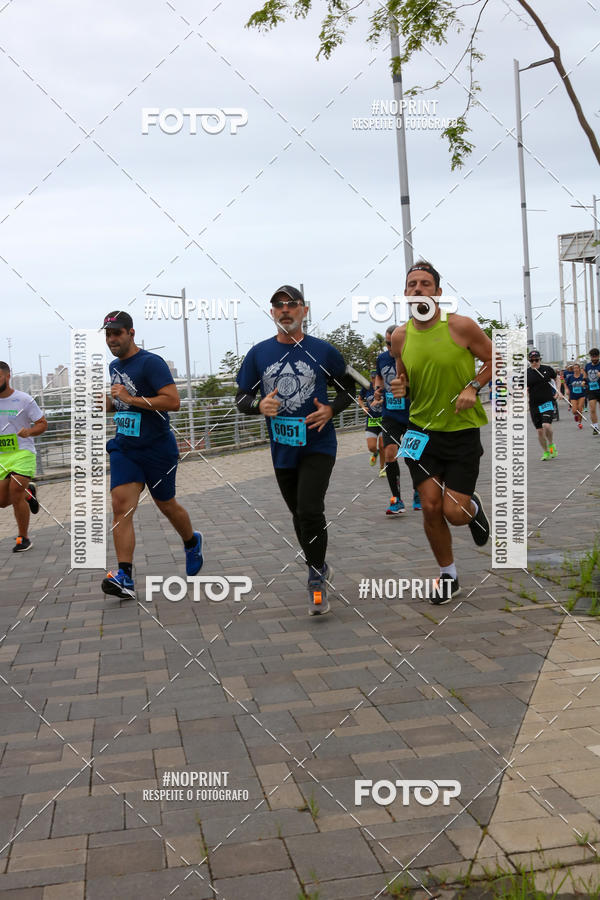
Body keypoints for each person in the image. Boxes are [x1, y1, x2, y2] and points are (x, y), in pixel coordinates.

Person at [236, 285, 355, 615]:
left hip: (319, 443)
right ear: (272, 313)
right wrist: (259, 405)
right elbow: (241, 397)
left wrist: (331, 409)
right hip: (282, 449)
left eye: (292, 304)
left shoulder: (323, 351)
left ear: (304, 311)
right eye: (278, 306)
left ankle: (316, 576)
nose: (285, 309)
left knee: (310, 508)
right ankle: (318, 564)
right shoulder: (259, 354)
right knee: (299, 514)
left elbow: (348, 389)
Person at [389, 261, 492, 603]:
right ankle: (448, 576)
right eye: (412, 284)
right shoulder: (401, 337)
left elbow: (497, 359)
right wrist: (400, 387)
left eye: (425, 284)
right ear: (405, 293)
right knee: (431, 507)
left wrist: (473, 386)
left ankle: (473, 509)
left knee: (453, 512)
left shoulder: (461, 327)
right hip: (420, 433)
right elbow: (403, 378)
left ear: (437, 292)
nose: (418, 289)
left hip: (461, 433)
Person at [101, 311, 203, 600]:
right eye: (108, 335)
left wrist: (129, 398)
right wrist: (108, 404)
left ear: (131, 333)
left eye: (117, 333)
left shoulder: (151, 363)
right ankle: (125, 577)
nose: (112, 339)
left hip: (158, 449)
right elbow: (123, 406)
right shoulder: (113, 366)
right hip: (125, 448)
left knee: (166, 505)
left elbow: (173, 402)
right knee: (121, 508)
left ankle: (191, 541)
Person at [0, 361, 46, 552]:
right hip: (2, 455)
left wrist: (29, 431)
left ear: (7, 376)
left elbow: (42, 423)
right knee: (2, 502)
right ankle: (29, 493)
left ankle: (23, 538)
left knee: (16, 488)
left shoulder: (24, 400)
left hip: (23, 452)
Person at [375, 325, 420, 514]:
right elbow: (379, 377)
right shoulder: (382, 358)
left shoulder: (414, 356)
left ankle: (418, 493)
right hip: (390, 415)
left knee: (411, 456)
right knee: (390, 453)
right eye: (387, 343)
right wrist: (378, 389)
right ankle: (396, 499)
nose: (389, 347)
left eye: (392, 343)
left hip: (413, 414)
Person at [526, 350, 557, 459]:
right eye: (532, 360)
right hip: (534, 404)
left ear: (540, 359)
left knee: (546, 425)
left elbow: (556, 378)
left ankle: (551, 444)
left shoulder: (547, 369)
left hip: (547, 401)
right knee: (539, 431)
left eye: (536, 360)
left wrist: (558, 391)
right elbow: (522, 386)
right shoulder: (527, 373)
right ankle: (546, 452)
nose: (534, 362)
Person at [358, 371, 384, 471]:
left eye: (375, 378)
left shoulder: (383, 386)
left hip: (383, 420)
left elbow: (389, 398)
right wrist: (363, 407)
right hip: (371, 420)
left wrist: (379, 401)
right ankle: (375, 452)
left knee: (382, 446)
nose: (373, 380)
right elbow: (360, 399)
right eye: (372, 378)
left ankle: (382, 469)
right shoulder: (366, 387)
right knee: (371, 447)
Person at [565, 362, 587, 430]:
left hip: (581, 395)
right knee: (574, 411)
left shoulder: (582, 376)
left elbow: (586, 383)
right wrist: (566, 389)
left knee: (580, 409)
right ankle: (576, 415)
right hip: (573, 395)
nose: (576, 369)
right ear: (573, 369)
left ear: (579, 369)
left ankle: (579, 423)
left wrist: (584, 384)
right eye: (574, 368)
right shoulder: (570, 377)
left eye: (577, 368)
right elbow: (565, 383)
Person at [585, 348, 600, 435]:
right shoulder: (587, 366)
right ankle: (595, 427)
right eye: (592, 357)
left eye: (595, 357)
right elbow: (585, 376)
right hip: (591, 390)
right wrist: (584, 381)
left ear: (598, 356)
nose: (594, 358)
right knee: (592, 409)